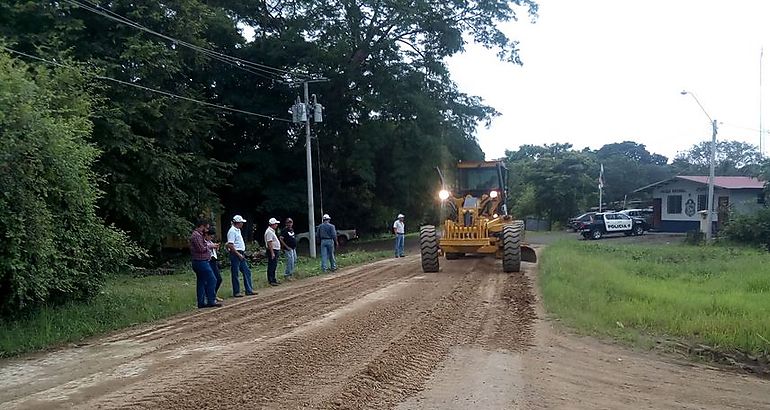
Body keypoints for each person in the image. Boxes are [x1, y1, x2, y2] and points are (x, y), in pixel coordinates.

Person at [190, 219, 221, 308]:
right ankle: (211, 300)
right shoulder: (196, 236)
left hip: (200, 261)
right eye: (206, 228)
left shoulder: (198, 235)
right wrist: (209, 246)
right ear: (202, 226)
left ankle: (201, 302)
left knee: (201, 281)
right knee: (212, 279)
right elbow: (201, 249)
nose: (207, 230)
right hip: (200, 262)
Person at [227, 215, 256, 297]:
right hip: (235, 253)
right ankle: (236, 291)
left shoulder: (237, 230)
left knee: (246, 271)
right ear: (238, 223)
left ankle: (249, 290)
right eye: (241, 222)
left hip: (239, 252)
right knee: (235, 273)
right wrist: (238, 254)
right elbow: (230, 245)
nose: (242, 224)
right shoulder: (232, 231)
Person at [204, 227, 223, 302]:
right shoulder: (204, 242)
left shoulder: (210, 242)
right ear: (206, 235)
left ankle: (213, 294)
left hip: (214, 261)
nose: (211, 238)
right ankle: (209, 295)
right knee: (212, 279)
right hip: (209, 261)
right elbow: (206, 247)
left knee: (218, 279)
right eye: (210, 236)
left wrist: (216, 247)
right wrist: (213, 246)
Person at [264, 217, 282, 286]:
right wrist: (272, 252)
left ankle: (273, 279)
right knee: (272, 265)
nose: (277, 225)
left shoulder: (271, 231)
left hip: (274, 250)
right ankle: (271, 280)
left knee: (274, 265)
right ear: (273, 224)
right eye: (276, 224)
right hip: (272, 250)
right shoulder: (269, 232)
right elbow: (269, 242)